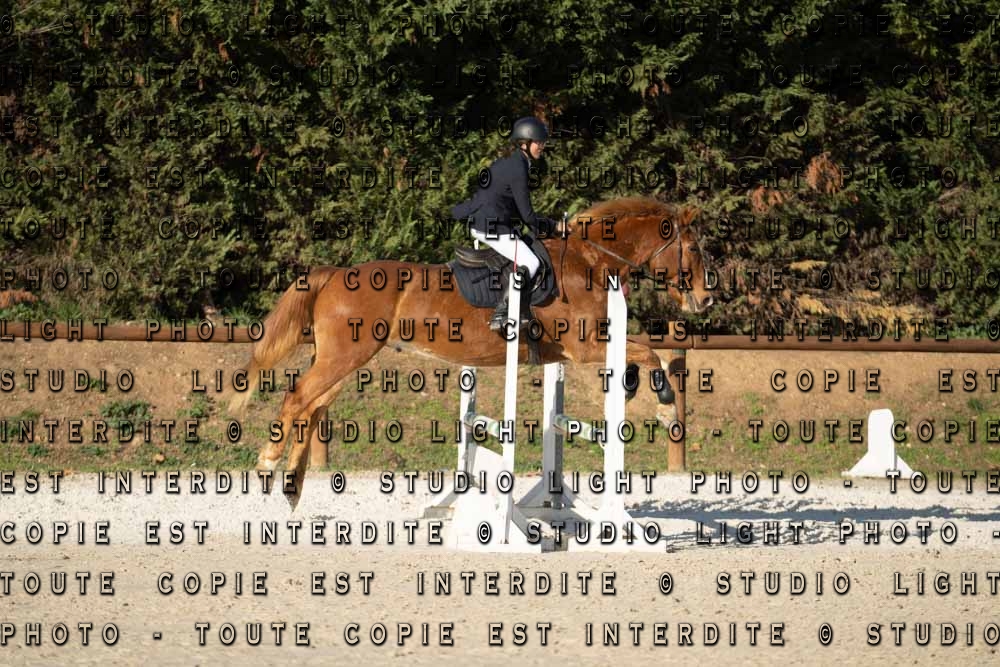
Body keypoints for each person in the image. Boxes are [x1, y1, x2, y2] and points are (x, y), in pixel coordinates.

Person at [451, 116, 555, 331]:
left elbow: (514, 208)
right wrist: (553, 227)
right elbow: (527, 215)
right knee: (531, 263)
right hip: (490, 225)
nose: (542, 146)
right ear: (525, 143)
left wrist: (544, 224)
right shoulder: (518, 167)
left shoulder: (511, 161)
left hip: (487, 220)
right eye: (539, 142)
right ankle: (502, 312)